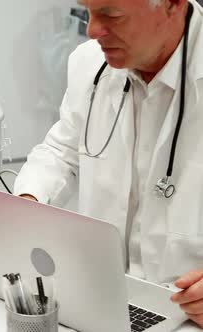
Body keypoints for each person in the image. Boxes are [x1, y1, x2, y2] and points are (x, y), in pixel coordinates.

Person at [13, 0, 203, 326]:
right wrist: (28, 202)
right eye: (87, 10)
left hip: (187, 314)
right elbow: (61, 151)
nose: (92, 30)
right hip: (101, 302)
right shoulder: (89, 63)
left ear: (172, 5)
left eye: (111, 14)